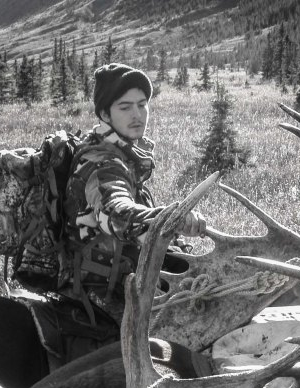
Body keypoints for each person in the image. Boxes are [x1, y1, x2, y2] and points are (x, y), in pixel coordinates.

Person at [63, 62, 207, 326]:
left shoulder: (123, 155)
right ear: (104, 114)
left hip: (127, 274)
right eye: (125, 107)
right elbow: (114, 210)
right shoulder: (102, 162)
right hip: (104, 290)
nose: (137, 114)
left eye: (142, 104)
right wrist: (170, 218)